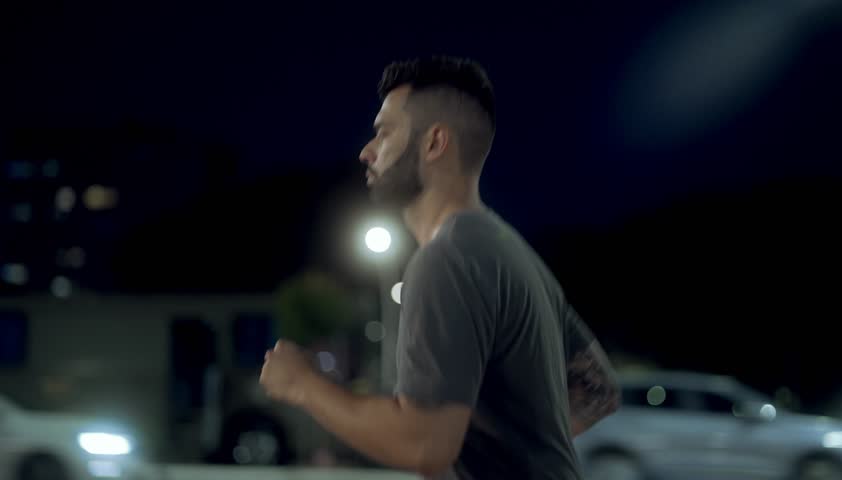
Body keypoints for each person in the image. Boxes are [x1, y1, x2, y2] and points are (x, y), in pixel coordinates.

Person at [259, 55, 621, 479]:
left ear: (433, 143)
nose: (366, 151)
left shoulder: (445, 259)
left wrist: (302, 384)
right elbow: (597, 389)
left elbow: (424, 444)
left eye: (385, 133)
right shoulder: (508, 250)